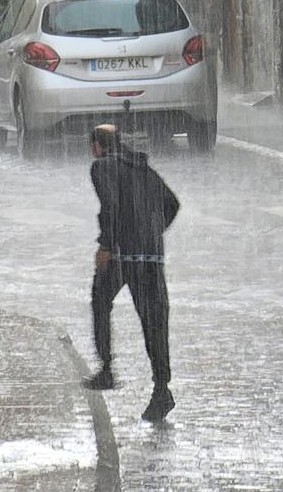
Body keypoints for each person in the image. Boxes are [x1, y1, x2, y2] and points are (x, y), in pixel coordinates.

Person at [83, 123, 180, 422]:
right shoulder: (145, 170)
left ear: (98, 146)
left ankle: (107, 369)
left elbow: (110, 206)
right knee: (154, 321)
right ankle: (161, 389)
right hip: (150, 254)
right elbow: (172, 204)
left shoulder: (102, 167)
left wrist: (107, 245)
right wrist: (151, 232)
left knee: (101, 300)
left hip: (122, 254)